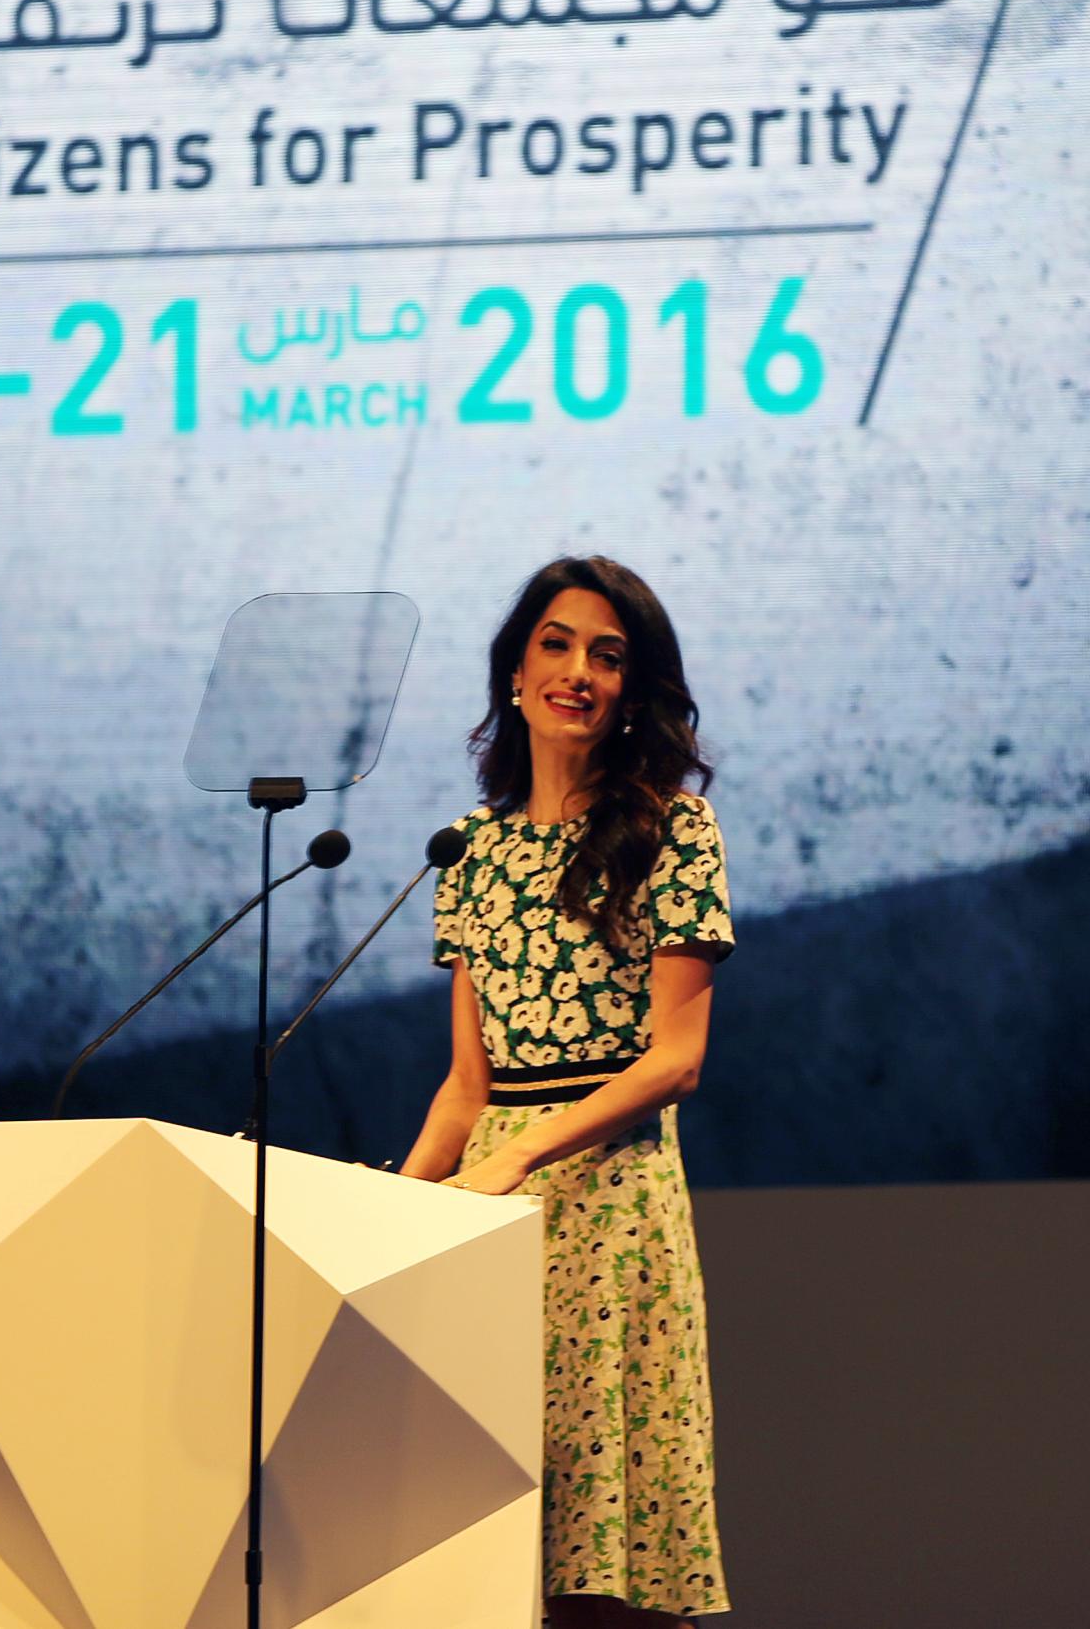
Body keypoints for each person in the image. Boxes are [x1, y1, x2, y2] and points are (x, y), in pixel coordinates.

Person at [400, 555, 733, 1627]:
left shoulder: (673, 830)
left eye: (607, 653)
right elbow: (465, 1083)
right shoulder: (472, 851)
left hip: (610, 1202)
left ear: (632, 689)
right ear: (513, 673)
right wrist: (391, 1212)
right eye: (554, 643)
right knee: (477, 1543)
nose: (577, 670)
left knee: (601, 1555)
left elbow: (674, 1059)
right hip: (487, 1214)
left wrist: (523, 1153)